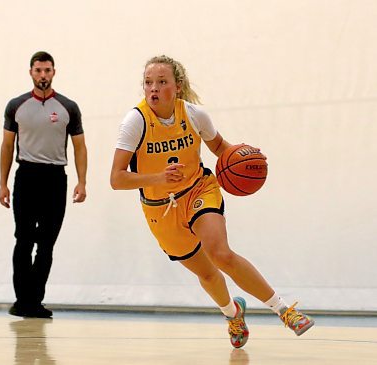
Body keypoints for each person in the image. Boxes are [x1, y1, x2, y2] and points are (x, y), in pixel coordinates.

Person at [110, 55, 314, 348]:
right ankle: (233, 313)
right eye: (148, 83)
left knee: (220, 254)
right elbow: (116, 179)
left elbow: (220, 148)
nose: (153, 88)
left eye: (161, 82)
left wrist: (248, 158)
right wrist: (157, 178)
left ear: (177, 87)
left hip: (198, 189)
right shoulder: (135, 122)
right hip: (160, 209)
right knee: (207, 273)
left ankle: (284, 311)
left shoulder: (193, 115)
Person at [0, 51, 87, 319]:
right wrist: (2, 184)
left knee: (46, 243)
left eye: (47, 70)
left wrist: (82, 182)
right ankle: (22, 299)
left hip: (55, 179)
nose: (43, 75)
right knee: (23, 240)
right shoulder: (17, 105)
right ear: (31, 72)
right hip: (26, 176)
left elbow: (80, 147)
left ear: (54, 72)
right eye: (38, 70)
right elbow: (6, 145)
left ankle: (35, 301)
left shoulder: (68, 107)